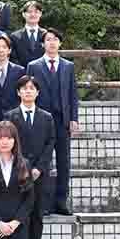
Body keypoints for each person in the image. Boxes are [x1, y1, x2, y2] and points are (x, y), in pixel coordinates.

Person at [4, 76, 56, 239]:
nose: (28, 91)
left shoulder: (47, 117)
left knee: (37, 214)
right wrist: (22, 167)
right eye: (24, 88)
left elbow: (50, 143)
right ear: (18, 92)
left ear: (37, 92)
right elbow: (7, 144)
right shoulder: (10, 116)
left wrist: (39, 168)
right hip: (17, 172)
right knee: (18, 213)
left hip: (40, 174)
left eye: (32, 88)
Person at [26, 28, 79, 215]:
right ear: (43, 44)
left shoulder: (68, 66)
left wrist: (73, 118)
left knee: (64, 162)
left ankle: (61, 201)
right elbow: (28, 92)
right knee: (43, 162)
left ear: (60, 43)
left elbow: (73, 94)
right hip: (41, 121)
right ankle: (43, 204)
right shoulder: (33, 66)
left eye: (55, 39)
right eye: (48, 39)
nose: (52, 42)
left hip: (62, 120)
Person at [10, 1, 46, 68]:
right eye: (29, 12)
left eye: (36, 12)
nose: (33, 14)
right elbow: (13, 59)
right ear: (23, 14)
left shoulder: (46, 35)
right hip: (21, 73)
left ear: (40, 14)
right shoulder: (14, 36)